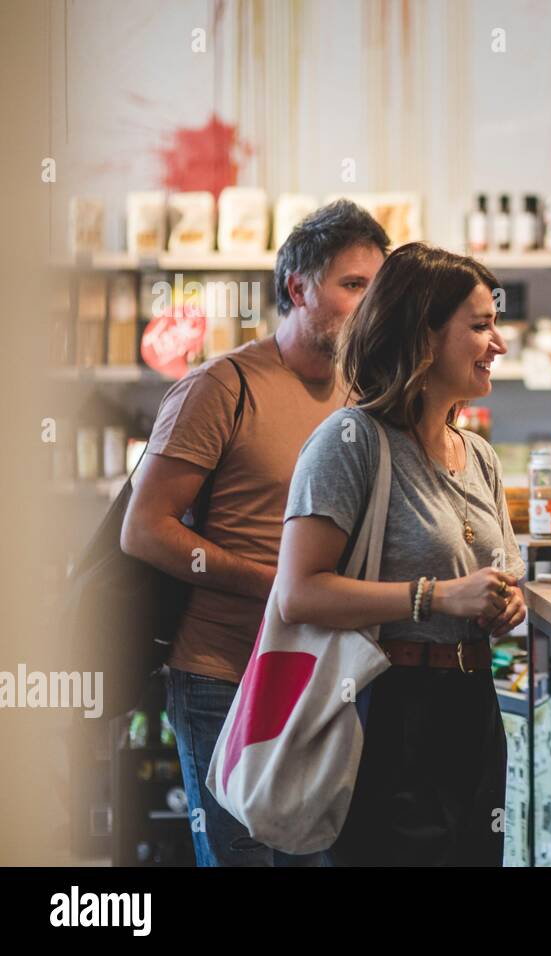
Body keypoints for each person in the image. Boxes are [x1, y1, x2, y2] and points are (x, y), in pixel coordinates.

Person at [121, 200, 389, 865]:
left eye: (376, 291)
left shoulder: (363, 393)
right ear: (298, 288)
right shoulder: (222, 387)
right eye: (353, 285)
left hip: (328, 678)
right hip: (225, 675)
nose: (367, 305)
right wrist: (278, 585)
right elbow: (145, 530)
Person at [276, 243, 526, 866]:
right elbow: (298, 591)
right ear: (423, 336)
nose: (499, 343)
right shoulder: (351, 440)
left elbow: (497, 576)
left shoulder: (480, 457)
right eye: (481, 326)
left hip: (473, 708)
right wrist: (436, 597)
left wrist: (504, 602)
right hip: (386, 711)